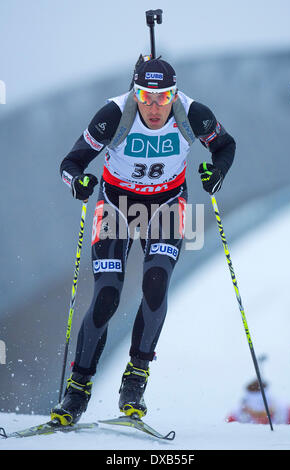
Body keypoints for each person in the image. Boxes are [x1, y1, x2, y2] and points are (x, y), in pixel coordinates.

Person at [51, 56, 236, 425]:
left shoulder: (192, 113)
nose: (154, 107)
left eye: (163, 97)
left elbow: (225, 145)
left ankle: (135, 380)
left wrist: (216, 173)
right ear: (135, 92)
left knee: (155, 283)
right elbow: (70, 164)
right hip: (117, 204)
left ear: (175, 93)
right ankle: (77, 390)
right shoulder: (113, 115)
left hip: (167, 204)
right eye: (146, 97)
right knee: (107, 295)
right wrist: (79, 183)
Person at [226, 379, 290, 425]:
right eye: (255, 414)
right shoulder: (235, 419)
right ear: (245, 408)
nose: (260, 419)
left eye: (265, 413)